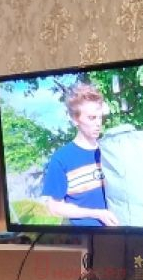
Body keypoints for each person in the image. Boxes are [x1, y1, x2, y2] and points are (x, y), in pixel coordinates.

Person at [41, 82, 120, 227]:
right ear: (74, 120)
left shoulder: (109, 152)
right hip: (82, 236)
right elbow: (54, 207)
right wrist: (97, 214)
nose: (98, 123)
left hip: (116, 234)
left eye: (100, 117)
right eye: (91, 118)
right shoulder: (61, 158)